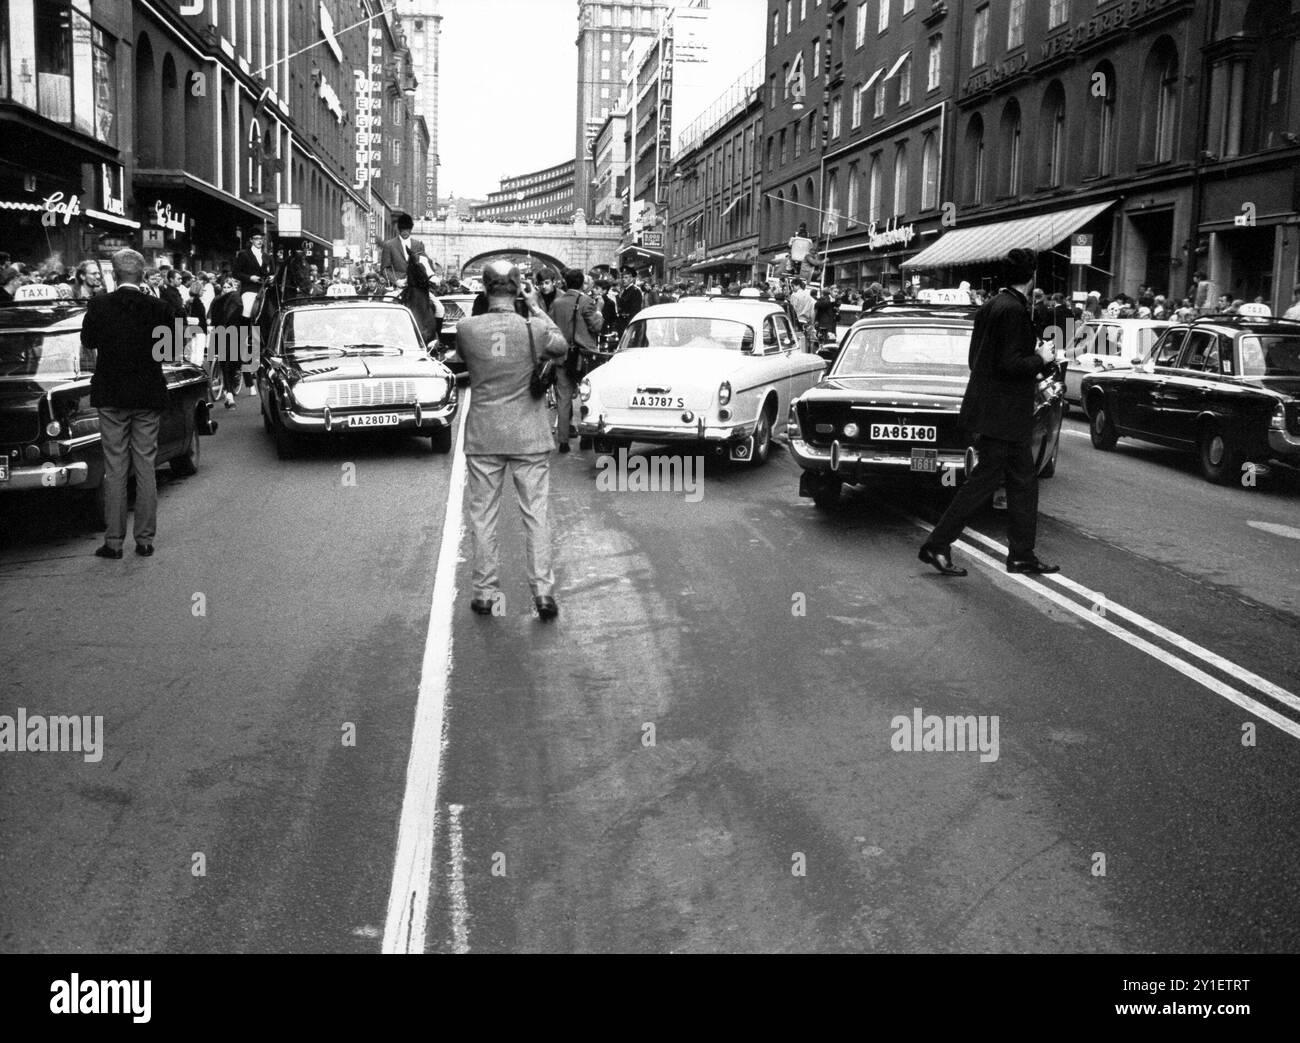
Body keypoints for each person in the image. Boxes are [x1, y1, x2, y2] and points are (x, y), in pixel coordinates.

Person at [918, 248, 1059, 578]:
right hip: (1005, 416)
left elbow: (977, 362)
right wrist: (1042, 357)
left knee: (1014, 482)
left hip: (992, 412)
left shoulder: (991, 307)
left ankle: (1019, 553)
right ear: (1031, 276)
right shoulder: (1013, 310)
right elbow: (1010, 364)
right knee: (991, 483)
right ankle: (940, 544)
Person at [455, 260, 568, 621]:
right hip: (529, 434)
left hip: (485, 434)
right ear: (518, 288)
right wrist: (535, 306)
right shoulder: (533, 327)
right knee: (535, 515)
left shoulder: (466, 328)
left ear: (485, 288)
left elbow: (465, 364)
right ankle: (543, 593)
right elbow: (562, 347)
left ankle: (485, 593)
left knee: (483, 516)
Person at [83, 248, 184, 559]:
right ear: (142, 276)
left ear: (114, 275)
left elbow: (88, 342)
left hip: (112, 396)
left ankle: (113, 543)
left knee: (114, 468)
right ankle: (145, 540)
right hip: (147, 395)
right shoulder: (160, 308)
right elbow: (171, 351)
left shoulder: (98, 305)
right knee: (145, 466)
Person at [548, 267, 603, 454]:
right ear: (581, 283)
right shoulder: (587, 301)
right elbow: (596, 326)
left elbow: (550, 329)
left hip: (563, 355)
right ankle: (586, 438)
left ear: (565, 282)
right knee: (588, 397)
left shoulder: (556, 303)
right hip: (585, 356)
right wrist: (600, 311)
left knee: (563, 399)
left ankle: (563, 441)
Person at [209, 275, 244, 408]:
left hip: (231, 334)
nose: (226, 289)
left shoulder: (234, 298)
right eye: (224, 287)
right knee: (226, 363)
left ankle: (229, 390)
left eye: (229, 287)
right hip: (224, 334)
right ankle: (229, 393)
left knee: (229, 363)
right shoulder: (219, 300)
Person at [379, 213, 425, 287]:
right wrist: (396, 281)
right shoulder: (389, 245)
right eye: (402, 229)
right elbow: (384, 269)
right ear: (399, 229)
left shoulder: (418, 245)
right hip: (397, 285)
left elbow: (424, 265)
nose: (405, 232)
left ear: (411, 229)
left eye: (407, 229)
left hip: (416, 284)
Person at [616, 265, 643, 333]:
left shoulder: (635, 291)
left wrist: (631, 326)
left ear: (631, 279)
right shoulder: (625, 290)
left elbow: (635, 310)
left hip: (628, 323)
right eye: (622, 277)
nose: (623, 279)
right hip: (622, 323)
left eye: (626, 277)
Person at [789, 278, 814, 349]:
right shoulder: (809, 296)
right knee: (805, 342)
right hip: (806, 322)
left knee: (796, 342)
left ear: (797, 285)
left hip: (796, 322)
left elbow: (792, 310)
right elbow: (811, 311)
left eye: (792, 286)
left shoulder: (794, 295)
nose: (792, 289)